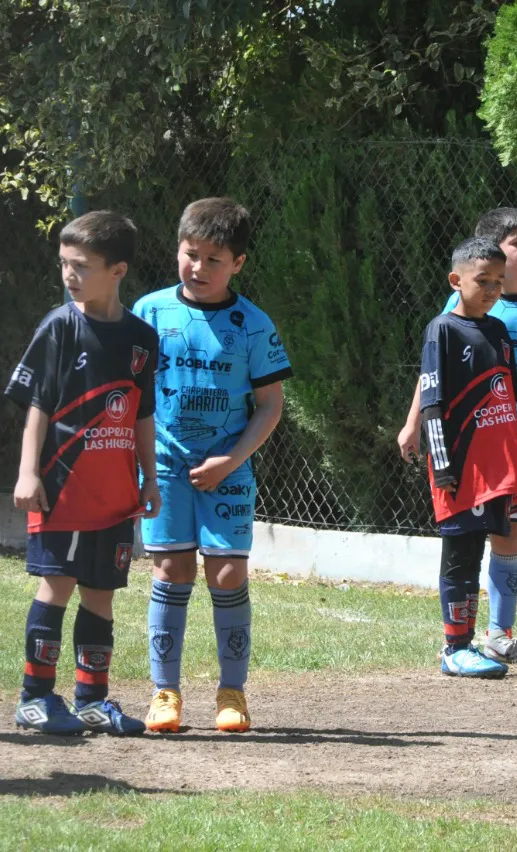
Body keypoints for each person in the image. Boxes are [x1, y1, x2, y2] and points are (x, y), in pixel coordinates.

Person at [133, 198, 292, 733]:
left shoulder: (253, 325)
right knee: (170, 569)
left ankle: (232, 694)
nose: (198, 268)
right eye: (190, 254)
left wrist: (229, 460)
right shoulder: (149, 313)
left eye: (214, 260)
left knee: (226, 573)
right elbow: (128, 394)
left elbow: (271, 406)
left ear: (239, 263)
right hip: (162, 467)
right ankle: (164, 693)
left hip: (229, 468)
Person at [400, 208, 517, 666]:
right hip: (468, 448)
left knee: (510, 532)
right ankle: (456, 642)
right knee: (465, 537)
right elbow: (432, 375)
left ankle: (500, 634)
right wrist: (412, 424)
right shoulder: (460, 311)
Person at [6, 210, 159, 737]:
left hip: (114, 496)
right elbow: (37, 407)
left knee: (101, 594)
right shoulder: (59, 326)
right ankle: (34, 698)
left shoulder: (141, 338)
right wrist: (29, 473)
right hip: (62, 490)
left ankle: (92, 699)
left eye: (82, 266)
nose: (69, 275)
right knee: (56, 587)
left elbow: (141, 413)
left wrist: (150, 479)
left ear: (117, 270)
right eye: (64, 264)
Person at [418, 237, 517, 679]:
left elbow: (508, 399)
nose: (491, 289)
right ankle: (454, 648)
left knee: (480, 550)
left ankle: (467, 643)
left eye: (498, 282)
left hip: (496, 467)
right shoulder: (442, 329)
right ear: (456, 280)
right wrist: (443, 463)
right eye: (482, 280)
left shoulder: (499, 331)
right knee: (460, 552)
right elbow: (432, 401)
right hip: (460, 465)